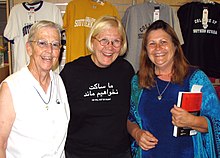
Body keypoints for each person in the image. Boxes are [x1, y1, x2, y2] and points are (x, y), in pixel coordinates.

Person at [127, 20, 220, 158]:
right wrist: (137, 133)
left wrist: (191, 121)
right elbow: (130, 118)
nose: (158, 48)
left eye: (163, 42)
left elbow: (217, 121)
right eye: (152, 43)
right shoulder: (138, 81)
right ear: (146, 50)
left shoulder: (196, 79)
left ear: (175, 46)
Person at [60, 15, 135, 158]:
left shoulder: (126, 70)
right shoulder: (72, 72)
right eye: (104, 40)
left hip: (119, 153)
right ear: (92, 42)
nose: (110, 47)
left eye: (116, 41)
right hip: (79, 153)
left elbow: (134, 111)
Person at [0, 20, 70, 158]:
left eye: (55, 45)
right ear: (29, 48)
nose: (49, 51)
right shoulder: (11, 87)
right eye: (42, 43)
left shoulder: (59, 82)